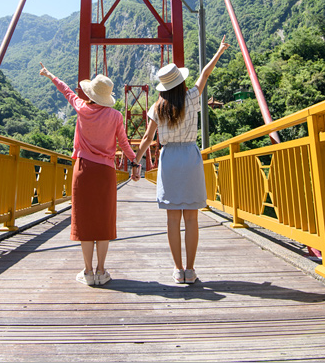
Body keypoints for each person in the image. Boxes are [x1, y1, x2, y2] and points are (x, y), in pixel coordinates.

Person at [133, 36, 230, 284]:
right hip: (190, 156)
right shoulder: (193, 97)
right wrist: (218, 51)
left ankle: (177, 270)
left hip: (169, 160)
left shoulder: (156, 108)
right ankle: (191, 269)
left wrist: (136, 163)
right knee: (192, 218)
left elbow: (146, 137)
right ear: (180, 81)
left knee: (173, 219)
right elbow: (205, 75)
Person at [39, 63, 140, 287]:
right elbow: (123, 143)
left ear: (90, 94)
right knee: (103, 220)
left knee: (84, 220)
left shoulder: (81, 108)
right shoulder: (115, 116)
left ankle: (87, 272)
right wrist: (134, 162)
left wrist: (50, 75)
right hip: (105, 172)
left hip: (83, 170)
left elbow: (66, 90)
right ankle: (101, 271)